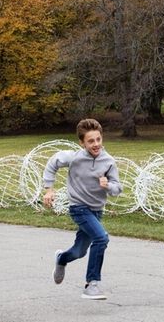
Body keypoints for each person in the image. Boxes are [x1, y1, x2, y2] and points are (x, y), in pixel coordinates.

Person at [42, 118, 122, 300]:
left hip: (96, 210)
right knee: (101, 238)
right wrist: (49, 189)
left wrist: (108, 185)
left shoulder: (108, 161)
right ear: (82, 142)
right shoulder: (74, 157)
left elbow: (117, 189)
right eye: (91, 141)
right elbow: (53, 162)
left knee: (79, 252)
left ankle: (61, 259)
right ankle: (91, 284)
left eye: (98, 140)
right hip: (78, 207)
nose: (96, 145)